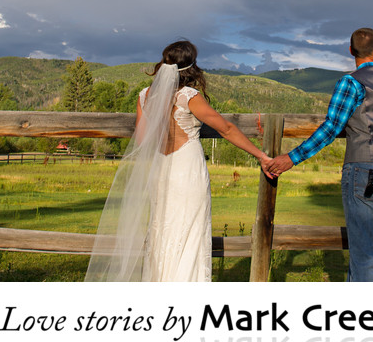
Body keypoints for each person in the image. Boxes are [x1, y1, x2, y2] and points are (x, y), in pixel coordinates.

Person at [86, 40, 271, 282]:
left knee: (162, 231)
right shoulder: (188, 96)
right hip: (186, 171)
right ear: (192, 67)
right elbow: (225, 128)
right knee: (190, 232)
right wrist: (261, 155)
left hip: (160, 171)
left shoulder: (145, 96)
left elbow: (142, 140)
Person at [264, 28, 373, 281]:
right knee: (366, 250)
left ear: (350, 51)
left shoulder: (350, 82)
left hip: (364, 170)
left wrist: (291, 158)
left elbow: (331, 127)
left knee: (363, 258)